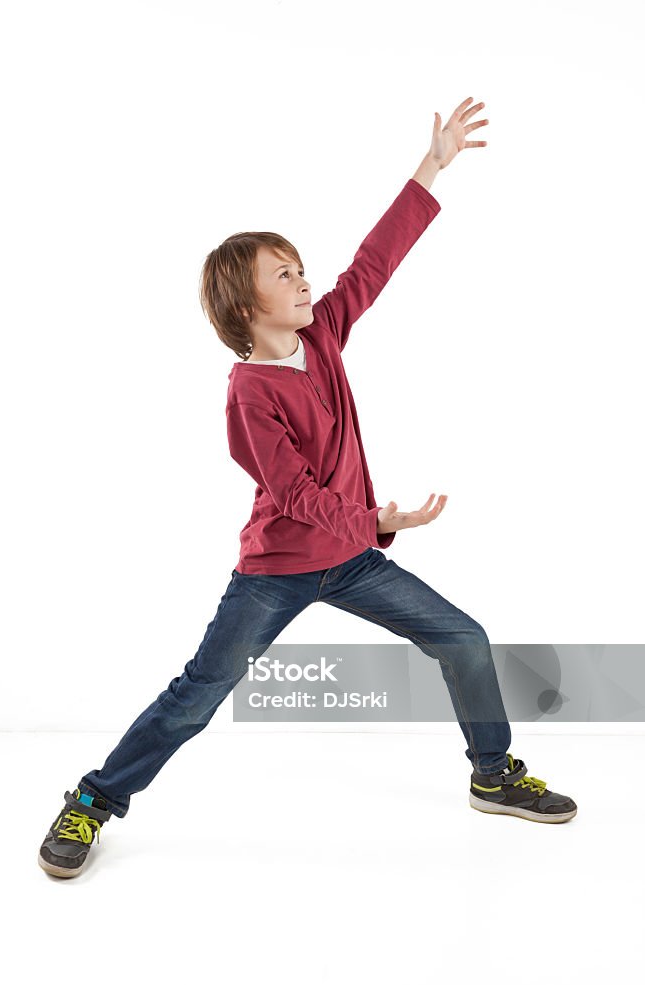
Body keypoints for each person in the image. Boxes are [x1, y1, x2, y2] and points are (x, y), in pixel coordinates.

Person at [38, 96, 577, 879]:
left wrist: (432, 165)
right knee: (198, 692)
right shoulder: (250, 389)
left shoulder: (321, 333)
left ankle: (492, 774)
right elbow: (290, 492)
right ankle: (91, 802)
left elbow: (374, 261)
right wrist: (374, 515)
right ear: (244, 306)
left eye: (299, 268)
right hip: (278, 569)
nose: (303, 279)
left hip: (353, 557)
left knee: (462, 638)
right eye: (282, 274)